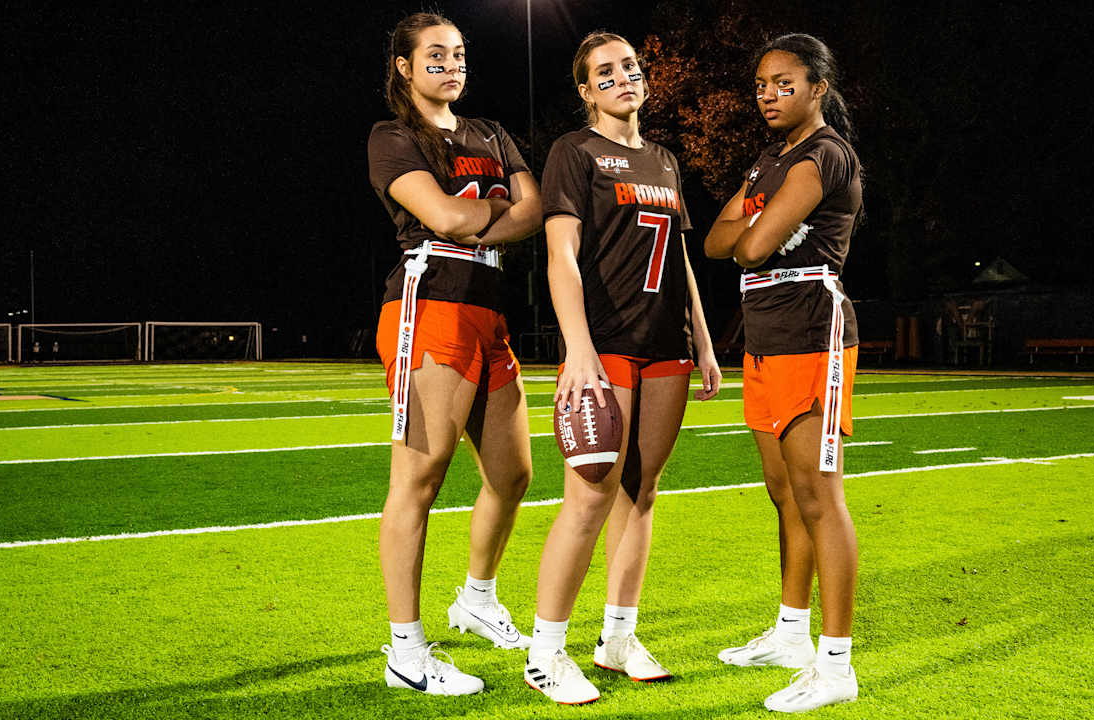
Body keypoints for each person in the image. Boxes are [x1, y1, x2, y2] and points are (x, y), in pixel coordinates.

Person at [523, 31, 722, 705]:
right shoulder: (573, 153)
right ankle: (545, 652)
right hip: (605, 341)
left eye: (630, 67)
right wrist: (576, 347)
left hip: (665, 344)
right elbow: (561, 255)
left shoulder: (663, 158)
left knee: (643, 490)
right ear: (585, 89)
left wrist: (703, 336)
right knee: (590, 493)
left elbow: (682, 258)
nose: (622, 78)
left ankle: (617, 636)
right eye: (604, 72)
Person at [366, 12, 543, 696]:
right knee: (420, 476)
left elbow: (535, 208)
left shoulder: (491, 132)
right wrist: (493, 211)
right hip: (429, 300)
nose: (450, 64)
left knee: (514, 472)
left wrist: (484, 215)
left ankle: (476, 597)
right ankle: (406, 650)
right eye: (434, 55)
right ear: (405, 67)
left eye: (459, 54)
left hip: (488, 308)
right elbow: (442, 219)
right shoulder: (392, 136)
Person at [703, 33, 864, 712]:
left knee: (820, 497)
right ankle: (792, 633)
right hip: (766, 337)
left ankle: (836, 666)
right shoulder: (772, 159)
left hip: (811, 334)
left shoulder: (825, 154)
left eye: (784, 83)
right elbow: (715, 239)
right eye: (761, 84)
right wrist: (752, 223)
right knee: (783, 492)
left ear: (818, 87)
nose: (768, 95)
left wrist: (754, 224)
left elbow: (752, 244)